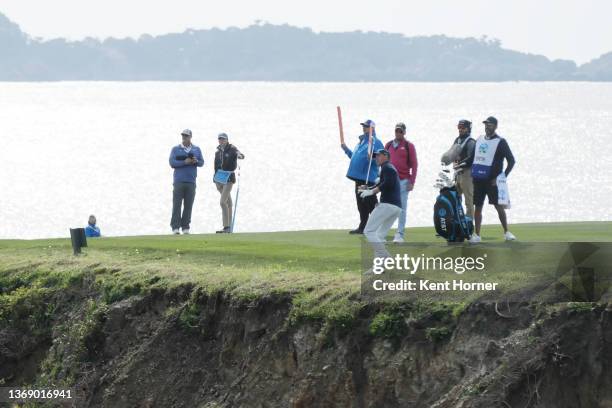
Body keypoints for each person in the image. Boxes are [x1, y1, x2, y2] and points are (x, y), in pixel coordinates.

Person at [469, 117, 516, 243]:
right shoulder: (479, 140)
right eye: (486, 124)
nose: (487, 127)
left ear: (495, 126)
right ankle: (477, 235)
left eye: (490, 125)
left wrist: (501, 177)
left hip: (492, 182)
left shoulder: (501, 142)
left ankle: (506, 232)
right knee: (477, 207)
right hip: (478, 180)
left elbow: (511, 161)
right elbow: (472, 158)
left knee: (498, 207)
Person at [341, 119, 384, 234]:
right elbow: (355, 158)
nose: (364, 127)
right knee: (361, 204)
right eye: (364, 126)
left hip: (368, 178)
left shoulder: (376, 142)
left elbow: (381, 158)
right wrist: (346, 149)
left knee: (371, 204)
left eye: (366, 126)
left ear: (372, 128)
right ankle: (363, 226)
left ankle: (378, 227)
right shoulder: (361, 142)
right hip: (359, 178)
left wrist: (373, 158)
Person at [359, 149, 402, 258]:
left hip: (388, 205)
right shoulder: (387, 168)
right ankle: (378, 267)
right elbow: (383, 183)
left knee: (368, 231)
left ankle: (386, 257)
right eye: (376, 156)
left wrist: (371, 192)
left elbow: (387, 184)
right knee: (379, 236)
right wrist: (368, 188)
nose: (376, 158)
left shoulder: (387, 167)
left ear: (386, 156)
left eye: (379, 156)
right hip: (395, 208)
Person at [384, 122, 418, 243]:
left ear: (404, 132)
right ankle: (383, 233)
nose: (398, 133)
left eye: (401, 131)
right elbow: (382, 161)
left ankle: (399, 234)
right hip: (390, 181)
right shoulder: (388, 145)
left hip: (404, 181)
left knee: (401, 208)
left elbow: (414, 165)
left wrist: (412, 182)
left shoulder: (409, 146)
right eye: (397, 131)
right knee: (388, 207)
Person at [168, 129, 204, 235]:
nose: (184, 137)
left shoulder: (196, 149)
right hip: (179, 181)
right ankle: (175, 227)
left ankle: (185, 227)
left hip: (191, 181)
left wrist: (196, 161)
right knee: (177, 205)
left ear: (190, 137)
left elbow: (202, 162)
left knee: (188, 205)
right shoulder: (175, 149)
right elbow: (172, 162)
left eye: (186, 136)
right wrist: (185, 162)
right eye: (183, 135)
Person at [213, 133, 244, 233]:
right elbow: (215, 167)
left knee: (223, 202)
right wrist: (215, 180)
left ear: (227, 140)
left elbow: (240, 154)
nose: (221, 141)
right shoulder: (217, 152)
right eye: (220, 139)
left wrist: (239, 155)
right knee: (228, 202)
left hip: (229, 178)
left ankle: (226, 227)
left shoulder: (232, 148)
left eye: (223, 139)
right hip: (219, 179)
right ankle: (229, 227)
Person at [451, 119, 476, 219]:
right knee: (455, 197)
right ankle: (459, 220)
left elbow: (471, 158)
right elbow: (452, 153)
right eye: (459, 127)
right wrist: (452, 161)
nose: (460, 130)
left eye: (463, 128)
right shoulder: (457, 140)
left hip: (467, 174)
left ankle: (470, 226)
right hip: (458, 173)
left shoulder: (471, 142)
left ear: (468, 129)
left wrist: (459, 164)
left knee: (468, 200)